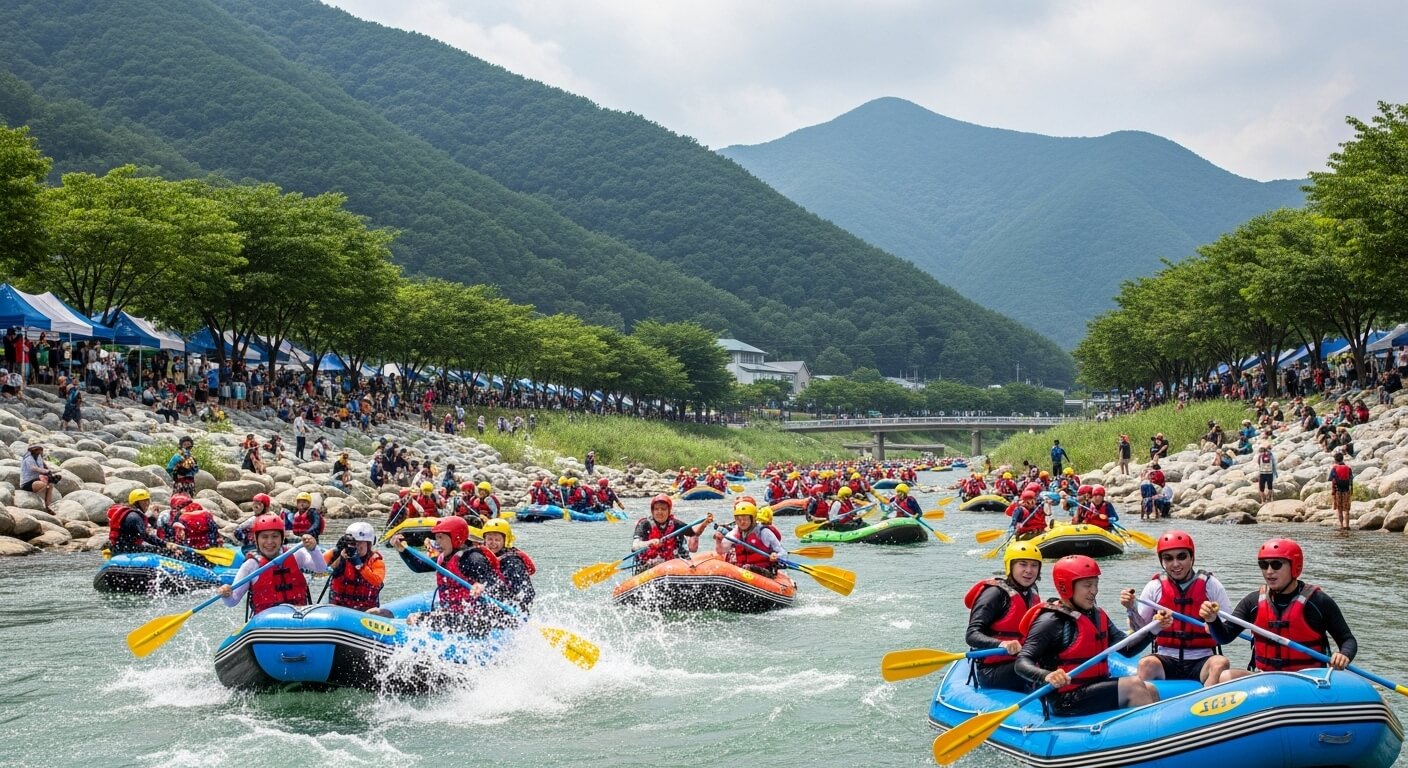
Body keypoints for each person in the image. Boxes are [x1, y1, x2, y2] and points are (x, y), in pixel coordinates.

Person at [1015, 556, 1169, 716]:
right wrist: (1047, 675)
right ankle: (1147, 736)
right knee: (1134, 686)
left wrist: (1154, 630)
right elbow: (1022, 662)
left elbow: (1127, 649)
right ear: (1066, 587)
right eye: (1087, 585)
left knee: (1150, 689)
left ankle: (1156, 735)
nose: (1094, 591)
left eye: (1096, 584)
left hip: (1094, 686)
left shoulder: (1097, 615)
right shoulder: (1050, 621)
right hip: (1065, 698)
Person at [1201, 538, 1356, 683]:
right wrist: (1212, 620)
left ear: (1295, 567)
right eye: (1263, 565)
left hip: (1307, 680)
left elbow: (1348, 640)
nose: (1269, 571)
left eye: (1276, 564)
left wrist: (1343, 655)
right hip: (1266, 678)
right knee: (1226, 677)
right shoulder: (1253, 601)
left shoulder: (1318, 602)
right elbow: (1224, 637)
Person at [1119, 531, 1231, 686]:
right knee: (1145, 664)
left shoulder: (1210, 585)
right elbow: (1140, 630)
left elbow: (1227, 630)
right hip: (1165, 659)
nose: (1176, 564)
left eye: (1182, 556)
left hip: (1203, 659)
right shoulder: (1154, 586)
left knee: (1221, 663)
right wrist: (1131, 609)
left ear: (1191, 557)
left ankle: (1206, 705)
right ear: (1162, 561)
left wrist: (1213, 622)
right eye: (1168, 558)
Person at [392, 516, 506, 633]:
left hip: (476, 619)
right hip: (455, 615)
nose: (437, 542)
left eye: (441, 538)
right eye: (436, 538)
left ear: (456, 538)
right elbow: (419, 567)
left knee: (414, 618)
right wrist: (402, 551)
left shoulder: (472, 557)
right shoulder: (444, 557)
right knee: (417, 617)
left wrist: (482, 585)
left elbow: (495, 580)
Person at [964, 541, 1042, 691]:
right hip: (992, 670)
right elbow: (972, 634)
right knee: (1039, 666)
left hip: (1021, 660)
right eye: (1023, 564)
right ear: (1010, 566)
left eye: (1034, 565)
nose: (1029, 570)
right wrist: (1001, 644)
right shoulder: (994, 594)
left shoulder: (1032, 592)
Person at [218, 514, 325, 618]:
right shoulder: (251, 565)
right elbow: (232, 601)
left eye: (275, 536)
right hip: (266, 624)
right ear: (256, 539)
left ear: (282, 538)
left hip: (298, 618)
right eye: (264, 537)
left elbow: (321, 568)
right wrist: (226, 595)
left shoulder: (297, 555)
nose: (269, 542)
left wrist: (313, 549)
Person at [631, 494, 712, 572]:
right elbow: (635, 546)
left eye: (663, 509)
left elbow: (694, 533)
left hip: (671, 565)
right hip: (648, 565)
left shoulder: (676, 524)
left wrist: (704, 524)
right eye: (656, 509)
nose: (660, 512)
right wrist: (650, 542)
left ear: (669, 511)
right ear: (652, 511)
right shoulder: (644, 524)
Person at [323, 522, 388, 615]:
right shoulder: (340, 554)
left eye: (360, 542)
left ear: (369, 544)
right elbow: (318, 569)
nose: (356, 545)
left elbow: (376, 581)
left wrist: (359, 565)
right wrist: (338, 553)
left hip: (365, 610)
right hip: (338, 608)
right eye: (353, 543)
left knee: (379, 612)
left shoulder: (376, 561)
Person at [715, 502, 783, 576]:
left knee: (747, 568)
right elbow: (721, 551)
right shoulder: (734, 533)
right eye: (739, 519)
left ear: (753, 519)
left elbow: (783, 553)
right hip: (741, 571)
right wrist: (718, 541)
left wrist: (776, 555)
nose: (742, 522)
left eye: (745, 519)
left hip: (764, 570)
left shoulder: (763, 532)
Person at [482, 518, 535, 613]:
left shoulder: (513, 562)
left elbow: (527, 592)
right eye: (489, 539)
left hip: (508, 610)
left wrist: (519, 611)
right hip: (489, 605)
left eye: (497, 539)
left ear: (505, 541)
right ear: (484, 540)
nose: (492, 543)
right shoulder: (480, 558)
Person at [107, 488, 181, 555]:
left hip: (123, 549)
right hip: (127, 550)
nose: (147, 503)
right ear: (136, 503)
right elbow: (145, 536)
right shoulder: (134, 517)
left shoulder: (132, 514)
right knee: (166, 551)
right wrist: (165, 544)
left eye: (147, 500)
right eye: (143, 501)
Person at [19, 444, 59, 512]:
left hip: (37, 479)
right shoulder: (28, 458)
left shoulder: (39, 457)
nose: (39, 452)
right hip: (28, 483)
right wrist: (46, 471)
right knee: (43, 485)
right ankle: (41, 504)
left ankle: (48, 506)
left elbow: (44, 467)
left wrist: (52, 473)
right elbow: (34, 468)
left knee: (50, 485)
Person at [1329, 452, 1353, 531]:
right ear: (1342, 458)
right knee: (1346, 510)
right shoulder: (1348, 468)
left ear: (1335, 460)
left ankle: (1342, 526)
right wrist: (1351, 490)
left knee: (1339, 510)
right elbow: (1351, 479)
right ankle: (1347, 526)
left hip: (1338, 491)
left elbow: (1330, 479)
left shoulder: (1334, 468)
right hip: (1346, 491)